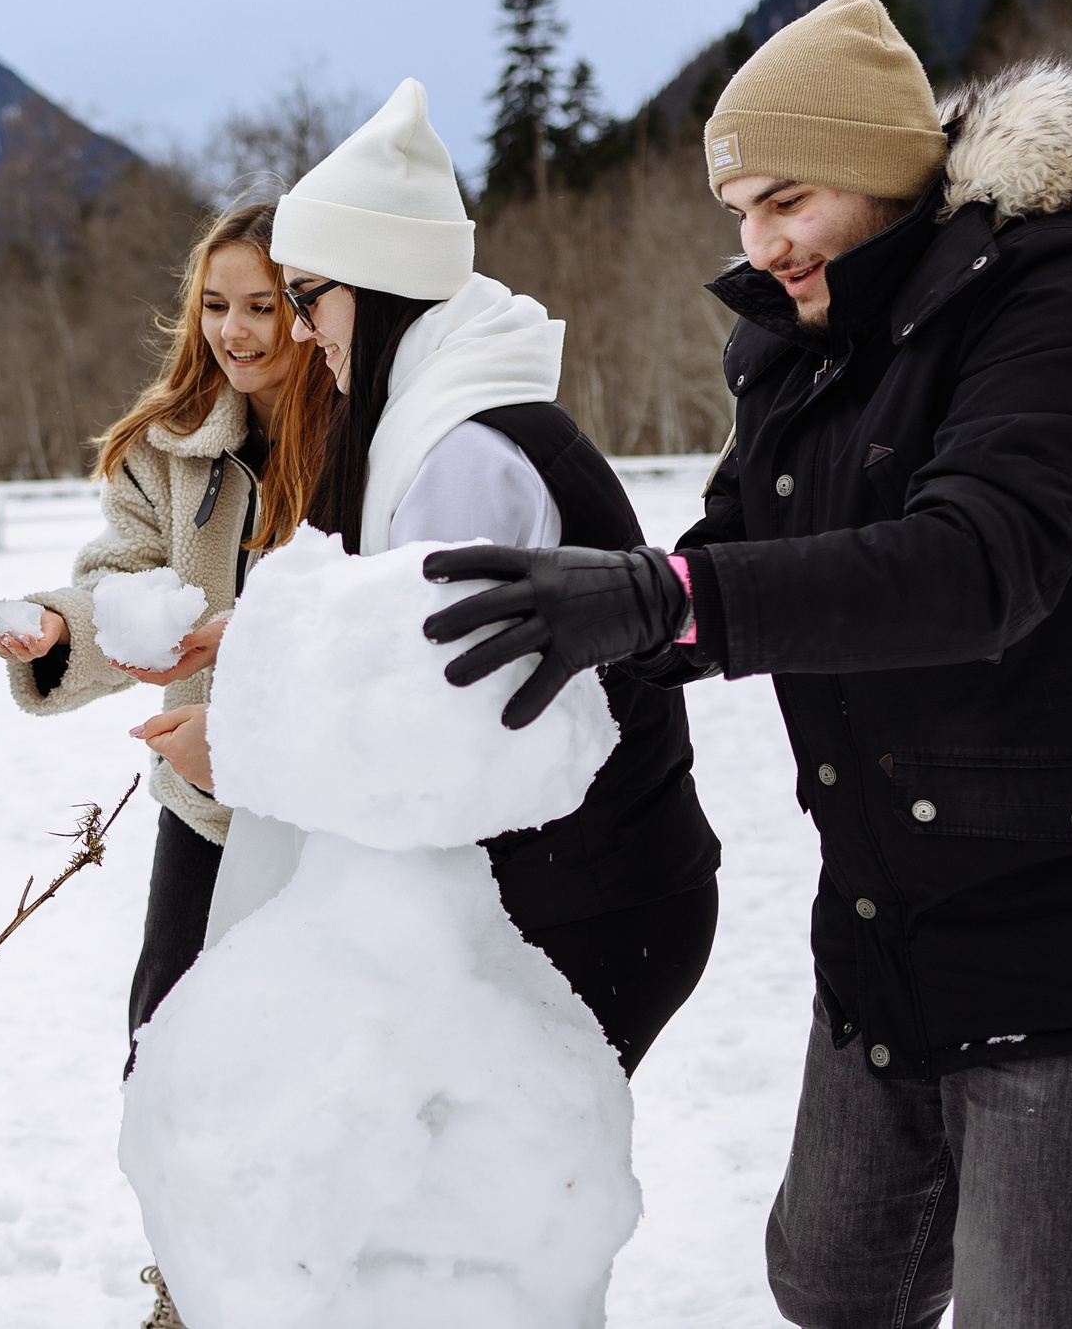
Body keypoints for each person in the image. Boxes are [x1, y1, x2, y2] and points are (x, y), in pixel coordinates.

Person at [423, 0, 1072, 1329]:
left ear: (882, 167)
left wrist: (661, 600)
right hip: (898, 923)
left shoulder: (1070, 299)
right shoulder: (806, 345)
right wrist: (514, 648)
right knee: (835, 1280)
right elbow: (734, 552)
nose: (760, 245)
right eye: (738, 214)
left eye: (787, 199)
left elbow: (975, 563)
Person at [141, 78, 722, 1083]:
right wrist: (259, 630)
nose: (297, 326)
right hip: (579, 885)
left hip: (598, 899)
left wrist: (240, 745)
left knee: (490, 1213)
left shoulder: (464, 451)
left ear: (380, 285)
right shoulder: (443, 414)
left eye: (308, 295)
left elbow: (436, 718)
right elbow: (401, 627)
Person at [0, 201, 336, 1065]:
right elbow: (128, 589)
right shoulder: (168, 445)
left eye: (261, 304)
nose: (234, 330)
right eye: (215, 304)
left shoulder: (358, 441)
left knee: (307, 1063)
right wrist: (61, 625)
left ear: (310, 305)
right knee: (165, 1053)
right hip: (201, 808)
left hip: (328, 808)